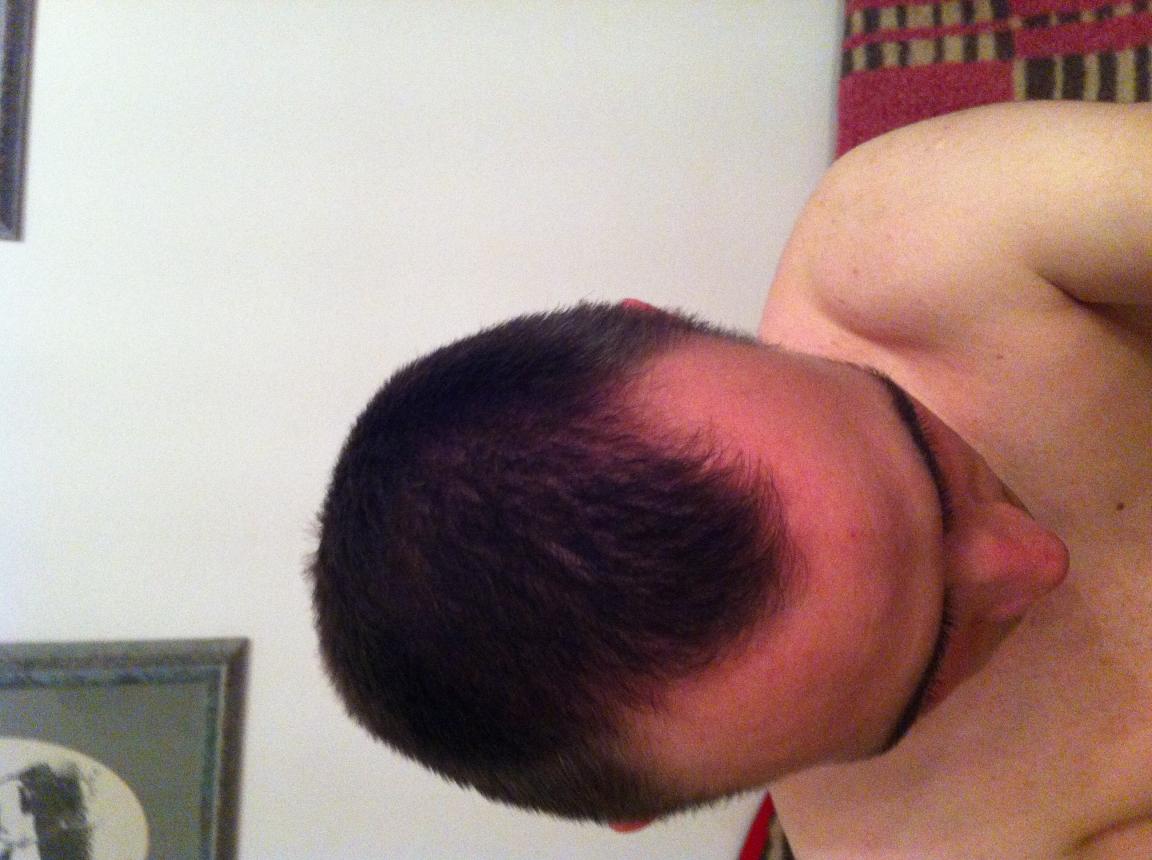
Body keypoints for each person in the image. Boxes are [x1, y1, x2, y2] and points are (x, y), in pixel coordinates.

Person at [309, 101, 1150, 857]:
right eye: (929, 671)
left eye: (926, 457)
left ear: (664, 324)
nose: (1036, 559)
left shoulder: (906, 242)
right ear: (654, 806)